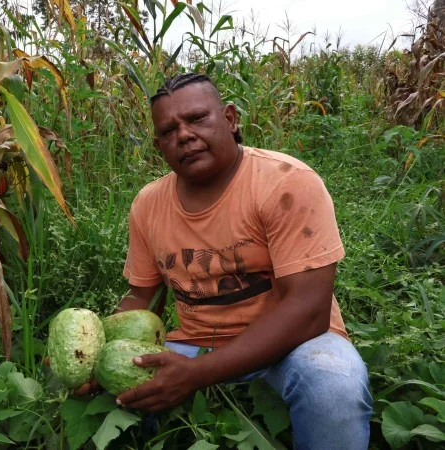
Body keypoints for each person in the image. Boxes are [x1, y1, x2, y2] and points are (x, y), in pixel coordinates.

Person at [105, 73, 372, 449]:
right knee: (112, 387)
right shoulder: (148, 205)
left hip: (293, 345)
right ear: (158, 145)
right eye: (168, 131)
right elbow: (142, 299)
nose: (184, 135)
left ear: (230, 119)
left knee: (334, 386)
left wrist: (198, 374)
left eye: (197, 118)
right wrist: (95, 352)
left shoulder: (286, 183)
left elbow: (309, 311)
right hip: (196, 345)